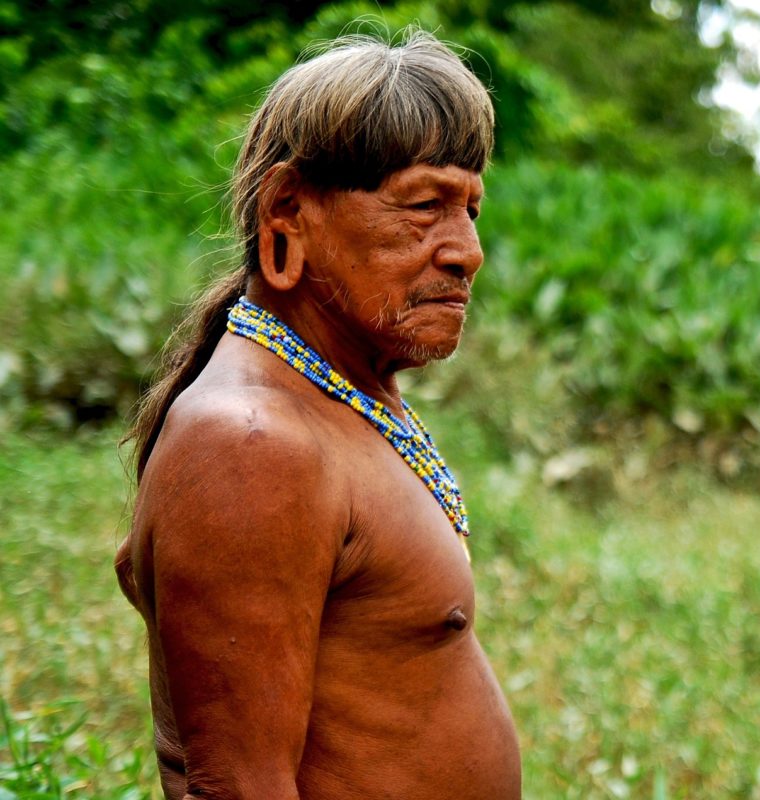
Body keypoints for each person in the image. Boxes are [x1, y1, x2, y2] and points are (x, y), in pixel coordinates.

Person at [114, 31, 521, 800]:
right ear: (288, 212)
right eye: (424, 206)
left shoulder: (341, 399)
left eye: (469, 208)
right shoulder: (252, 444)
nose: (465, 250)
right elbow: (238, 786)